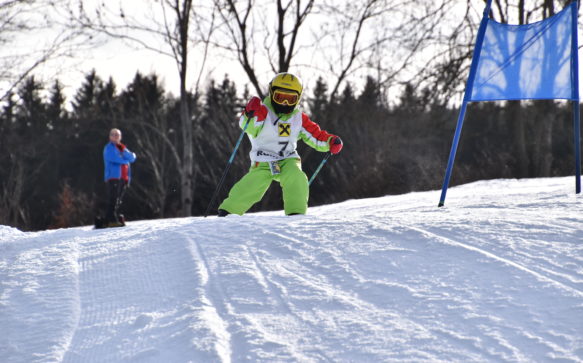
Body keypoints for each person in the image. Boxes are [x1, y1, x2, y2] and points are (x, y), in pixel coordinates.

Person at [218, 72, 343, 217]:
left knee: (296, 177)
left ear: (298, 99)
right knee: (252, 185)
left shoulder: (298, 118)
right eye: (280, 97)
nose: (284, 103)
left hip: (287, 159)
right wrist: (249, 113)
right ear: (272, 94)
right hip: (263, 159)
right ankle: (228, 211)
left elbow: (316, 135)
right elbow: (248, 127)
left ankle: (296, 213)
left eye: (290, 99)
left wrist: (329, 142)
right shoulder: (263, 112)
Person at [102, 128, 136, 227]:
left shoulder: (121, 147)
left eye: (117, 135)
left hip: (124, 178)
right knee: (113, 198)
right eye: (113, 134)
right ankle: (111, 219)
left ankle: (110, 218)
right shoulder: (109, 148)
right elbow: (114, 158)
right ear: (110, 137)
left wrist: (124, 155)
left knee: (118, 200)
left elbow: (132, 157)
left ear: (120, 137)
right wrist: (125, 160)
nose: (115, 136)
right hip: (113, 177)